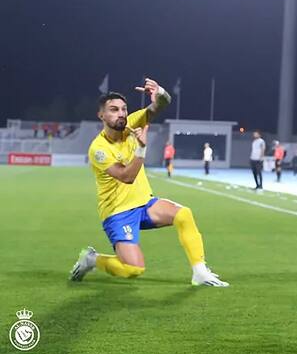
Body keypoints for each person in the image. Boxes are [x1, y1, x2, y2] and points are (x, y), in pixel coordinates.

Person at [69, 78, 228, 287]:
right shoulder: (98, 149)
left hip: (145, 203)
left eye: (124, 109)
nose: (121, 114)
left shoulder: (132, 122)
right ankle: (92, 260)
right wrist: (141, 148)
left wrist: (159, 92)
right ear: (101, 115)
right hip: (118, 212)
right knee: (133, 270)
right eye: (114, 110)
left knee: (184, 214)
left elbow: (161, 104)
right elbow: (127, 177)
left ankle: (200, 272)